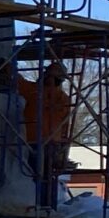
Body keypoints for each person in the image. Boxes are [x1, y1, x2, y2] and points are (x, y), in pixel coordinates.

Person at [15, 60, 74, 209]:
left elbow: (18, 82)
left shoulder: (39, 92)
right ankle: (45, 206)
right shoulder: (55, 96)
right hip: (44, 141)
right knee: (45, 176)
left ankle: (43, 206)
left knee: (42, 176)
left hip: (43, 141)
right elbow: (18, 82)